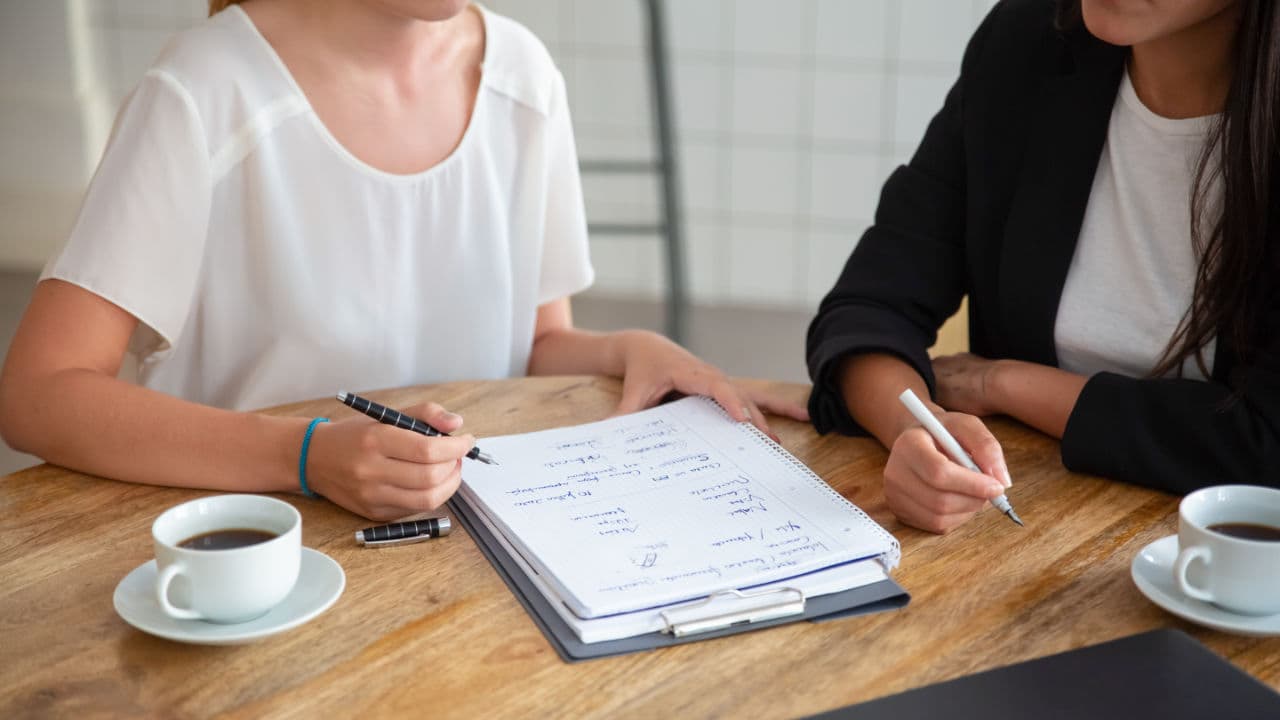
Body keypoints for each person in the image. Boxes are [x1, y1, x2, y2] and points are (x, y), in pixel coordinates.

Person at [0, 0, 806, 521]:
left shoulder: (522, 77)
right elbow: (38, 396)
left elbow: (527, 346)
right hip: (253, 559)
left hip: (458, 562)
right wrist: (306, 456)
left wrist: (632, 349)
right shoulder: (206, 90)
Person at [806, 0, 1279, 533]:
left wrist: (1004, 384)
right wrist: (918, 432)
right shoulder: (1028, 39)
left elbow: (1267, 443)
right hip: (1024, 534)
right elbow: (869, 307)